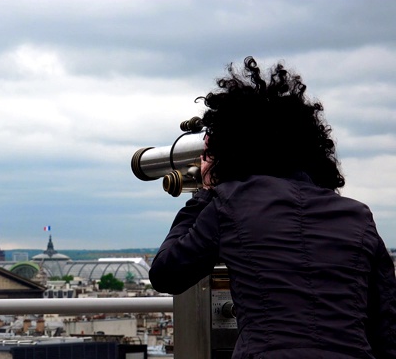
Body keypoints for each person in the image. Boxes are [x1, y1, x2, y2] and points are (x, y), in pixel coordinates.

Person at [149, 56, 396, 358]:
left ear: (230, 148)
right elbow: (386, 327)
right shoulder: (358, 216)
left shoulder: (231, 204)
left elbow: (166, 273)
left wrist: (205, 192)